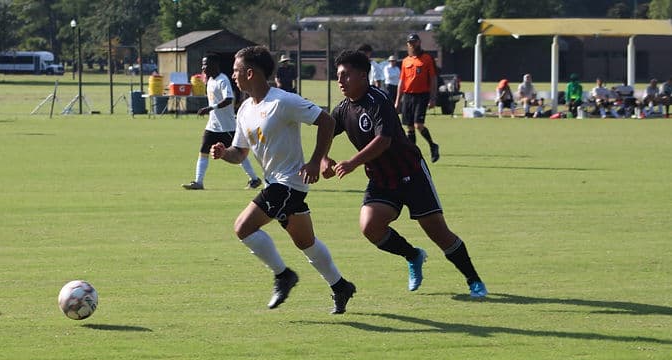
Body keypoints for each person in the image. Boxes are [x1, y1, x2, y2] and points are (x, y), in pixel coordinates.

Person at [324, 50, 486, 298]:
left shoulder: (378, 100)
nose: (340, 81)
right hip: (381, 179)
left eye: (345, 75)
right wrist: (323, 158)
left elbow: (383, 140)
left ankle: (474, 280)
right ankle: (413, 255)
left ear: (362, 75)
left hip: (411, 173)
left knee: (438, 233)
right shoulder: (343, 109)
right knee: (370, 227)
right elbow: (327, 130)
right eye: (338, 76)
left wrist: (352, 162)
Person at [210, 45, 356, 314]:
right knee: (306, 243)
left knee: (243, 227)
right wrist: (223, 153)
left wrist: (315, 161)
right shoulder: (244, 110)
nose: (233, 76)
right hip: (275, 184)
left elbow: (327, 122)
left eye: (236, 70)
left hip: (288, 183)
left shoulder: (283, 101)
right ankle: (340, 286)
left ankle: (283, 275)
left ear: (250, 73)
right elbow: (240, 153)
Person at [182, 54, 261, 190]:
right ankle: (198, 182)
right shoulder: (210, 80)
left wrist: (210, 108)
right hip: (213, 125)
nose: (203, 68)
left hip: (227, 126)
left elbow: (228, 99)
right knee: (203, 150)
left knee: (238, 153)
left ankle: (254, 179)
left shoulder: (222, 80)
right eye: (202, 64)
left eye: (205, 65)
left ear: (214, 65)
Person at [395, 33, 440, 163]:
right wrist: (398, 101)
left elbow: (433, 78)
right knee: (409, 127)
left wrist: (433, 97)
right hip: (408, 96)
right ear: (407, 45)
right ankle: (412, 155)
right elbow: (401, 82)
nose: (412, 44)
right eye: (410, 42)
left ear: (419, 42)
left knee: (418, 125)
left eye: (415, 42)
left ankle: (433, 145)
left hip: (422, 95)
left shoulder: (427, 58)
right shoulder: (405, 61)